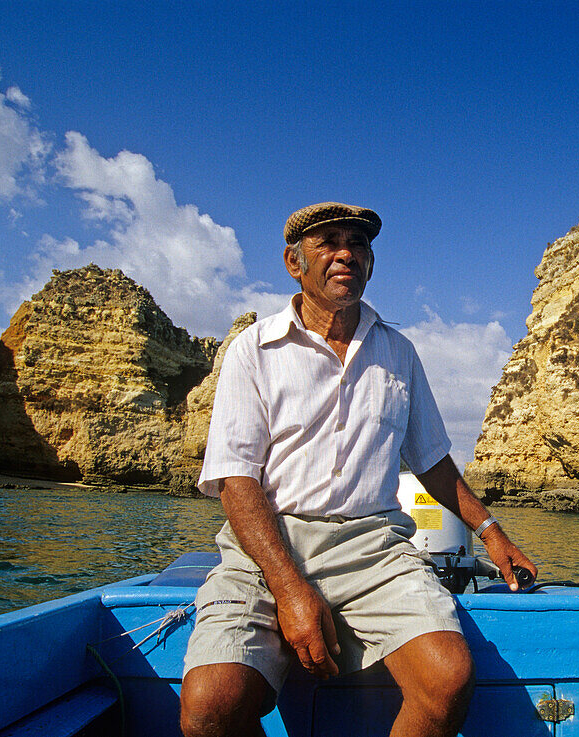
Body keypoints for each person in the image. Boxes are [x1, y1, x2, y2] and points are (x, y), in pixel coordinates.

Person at [179, 202, 537, 737]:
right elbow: (237, 480)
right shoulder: (252, 350)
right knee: (211, 704)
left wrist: (491, 532)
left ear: (371, 263)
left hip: (374, 548)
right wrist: (290, 588)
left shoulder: (398, 351)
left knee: (448, 677)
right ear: (293, 263)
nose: (346, 252)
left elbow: (433, 460)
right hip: (267, 545)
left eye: (359, 243)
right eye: (328, 242)